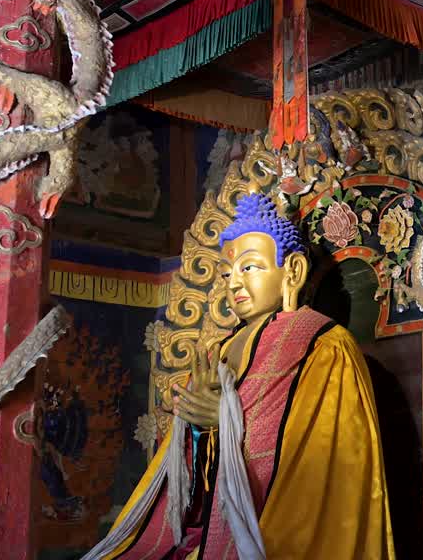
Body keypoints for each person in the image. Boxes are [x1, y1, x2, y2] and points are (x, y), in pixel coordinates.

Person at [82, 194, 395, 559]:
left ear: (292, 271)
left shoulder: (323, 346)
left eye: (250, 268)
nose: (233, 284)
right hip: (207, 528)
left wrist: (226, 421)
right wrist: (198, 432)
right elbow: (184, 488)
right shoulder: (219, 352)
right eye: (227, 274)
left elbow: (320, 470)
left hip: (275, 529)